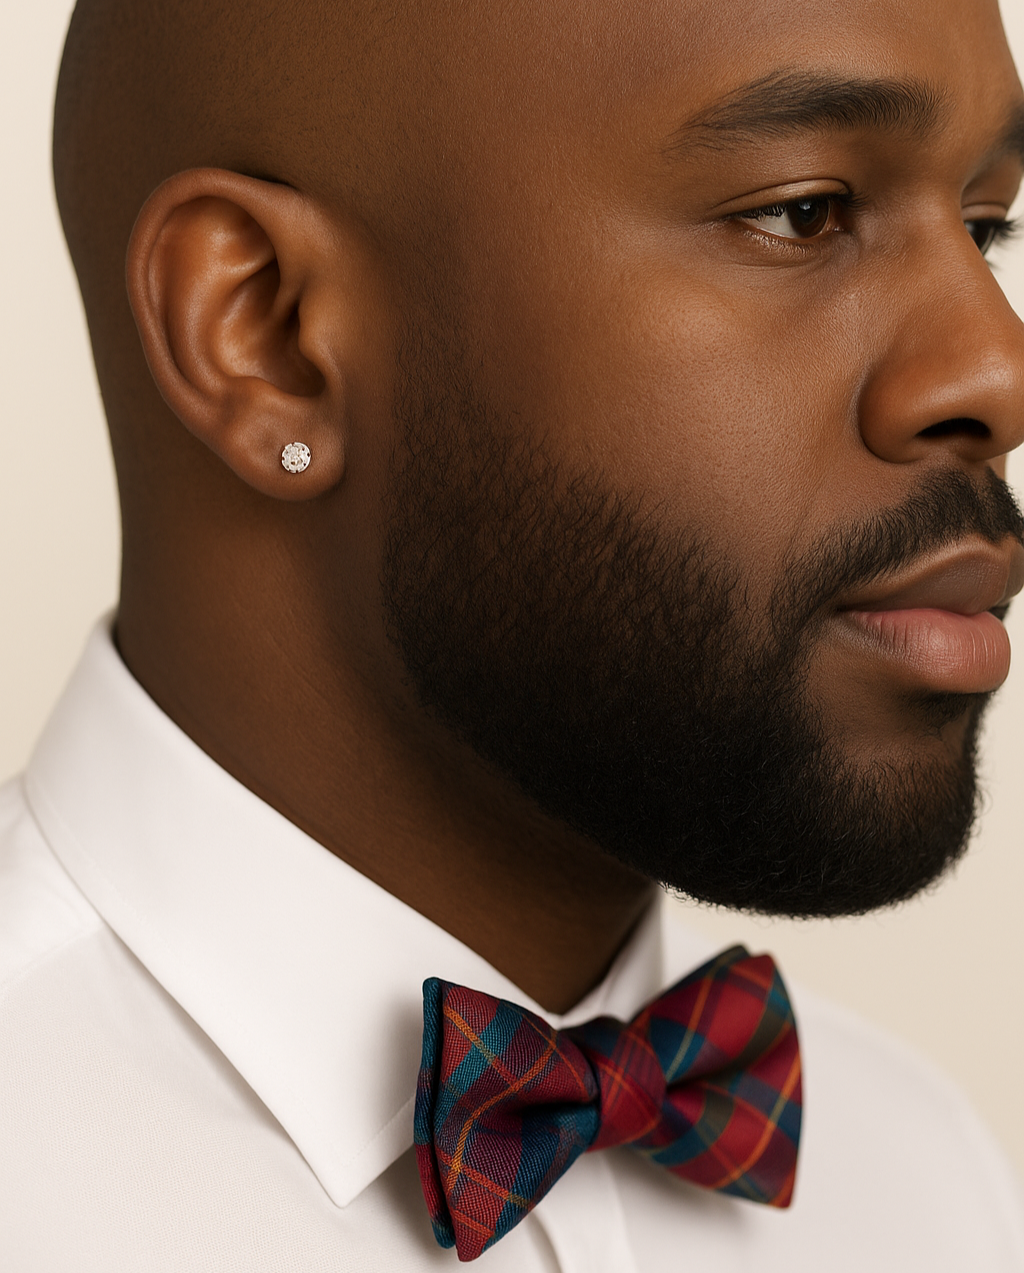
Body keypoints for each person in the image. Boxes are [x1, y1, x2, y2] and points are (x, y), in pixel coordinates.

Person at [4, 0, 1024, 1266]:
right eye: (800, 211)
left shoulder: (928, 1184)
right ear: (263, 335)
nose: (994, 369)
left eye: (987, 227)